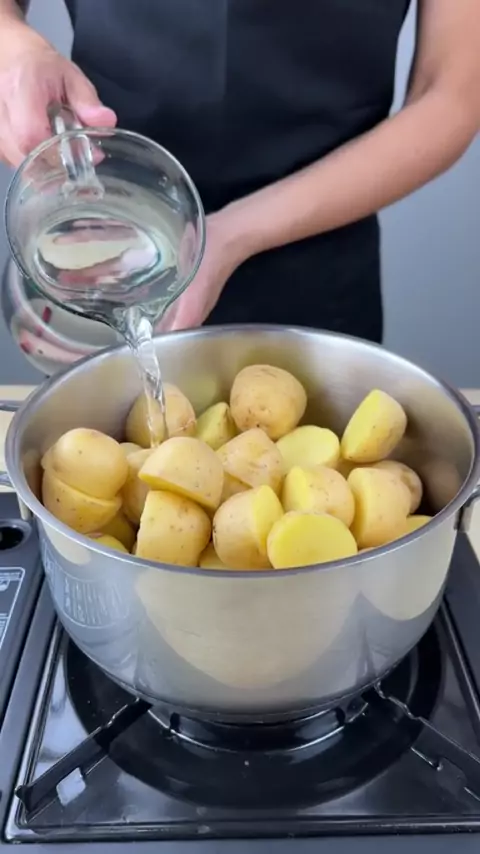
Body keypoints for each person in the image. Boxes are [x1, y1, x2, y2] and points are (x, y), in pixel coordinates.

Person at [0, 1, 479, 341]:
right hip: (108, 247)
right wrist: (16, 48)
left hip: (315, 257)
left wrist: (231, 234)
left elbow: (449, 96)